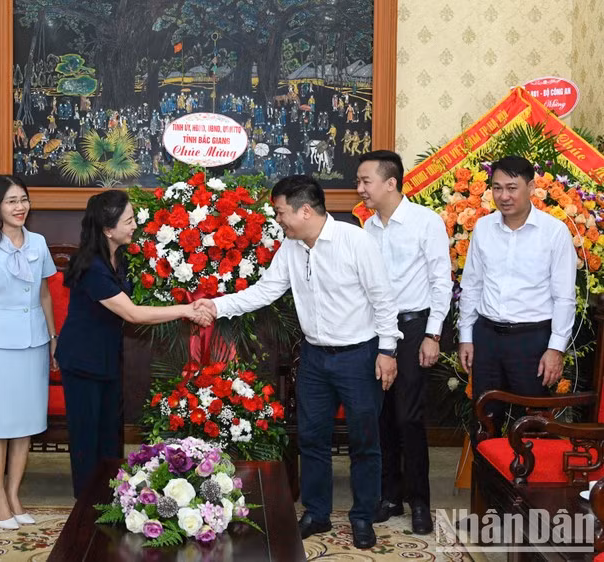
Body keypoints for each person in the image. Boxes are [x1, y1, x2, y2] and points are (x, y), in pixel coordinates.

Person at [194, 175, 402, 549]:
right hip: (315, 358)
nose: (279, 220)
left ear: (305, 210)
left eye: (281, 212)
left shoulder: (356, 242)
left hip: (359, 356)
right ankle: (317, 513)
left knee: (365, 443)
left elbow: (384, 299)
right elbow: (265, 291)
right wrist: (216, 306)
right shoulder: (291, 248)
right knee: (312, 439)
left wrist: (387, 352)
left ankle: (363, 516)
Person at [55, 190, 212, 498]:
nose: (134, 226)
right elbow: (132, 313)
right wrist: (186, 310)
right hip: (83, 360)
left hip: (107, 357)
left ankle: (112, 494)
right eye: (128, 221)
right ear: (106, 228)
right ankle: (87, 501)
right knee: (87, 437)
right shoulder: (91, 266)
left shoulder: (119, 257)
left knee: (110, 433)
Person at [358, 150, 452, 535]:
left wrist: (433, 334)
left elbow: (441, 282)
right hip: (377, 329)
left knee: (409, 417)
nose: (360, 188)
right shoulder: (367, 228)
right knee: (381, 415)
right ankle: (389, 496)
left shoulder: (425, 222)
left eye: (366, 181)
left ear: (390, 182)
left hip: (414, 327)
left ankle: (419, 501)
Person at [0, 175, 57, 529]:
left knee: (25, 424)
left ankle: (14, 493)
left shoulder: (39, 242)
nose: (20, 207)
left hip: (33, 342)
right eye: (11, 201)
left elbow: (45, 294)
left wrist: (52, 336)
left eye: (23, 199)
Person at [458, 156, 576, 434]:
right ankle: (486, 478)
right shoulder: (484, 228)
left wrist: (555, 348)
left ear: (531, 187)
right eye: (497, 188)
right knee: (484, 421)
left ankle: (530, 477)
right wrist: (466, 337)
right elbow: (472, 285)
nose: (503, 196)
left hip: (532, 341)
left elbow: (564, 297)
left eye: (512, 188)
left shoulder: (554, 232)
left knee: (535, 425)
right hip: (487, 337)